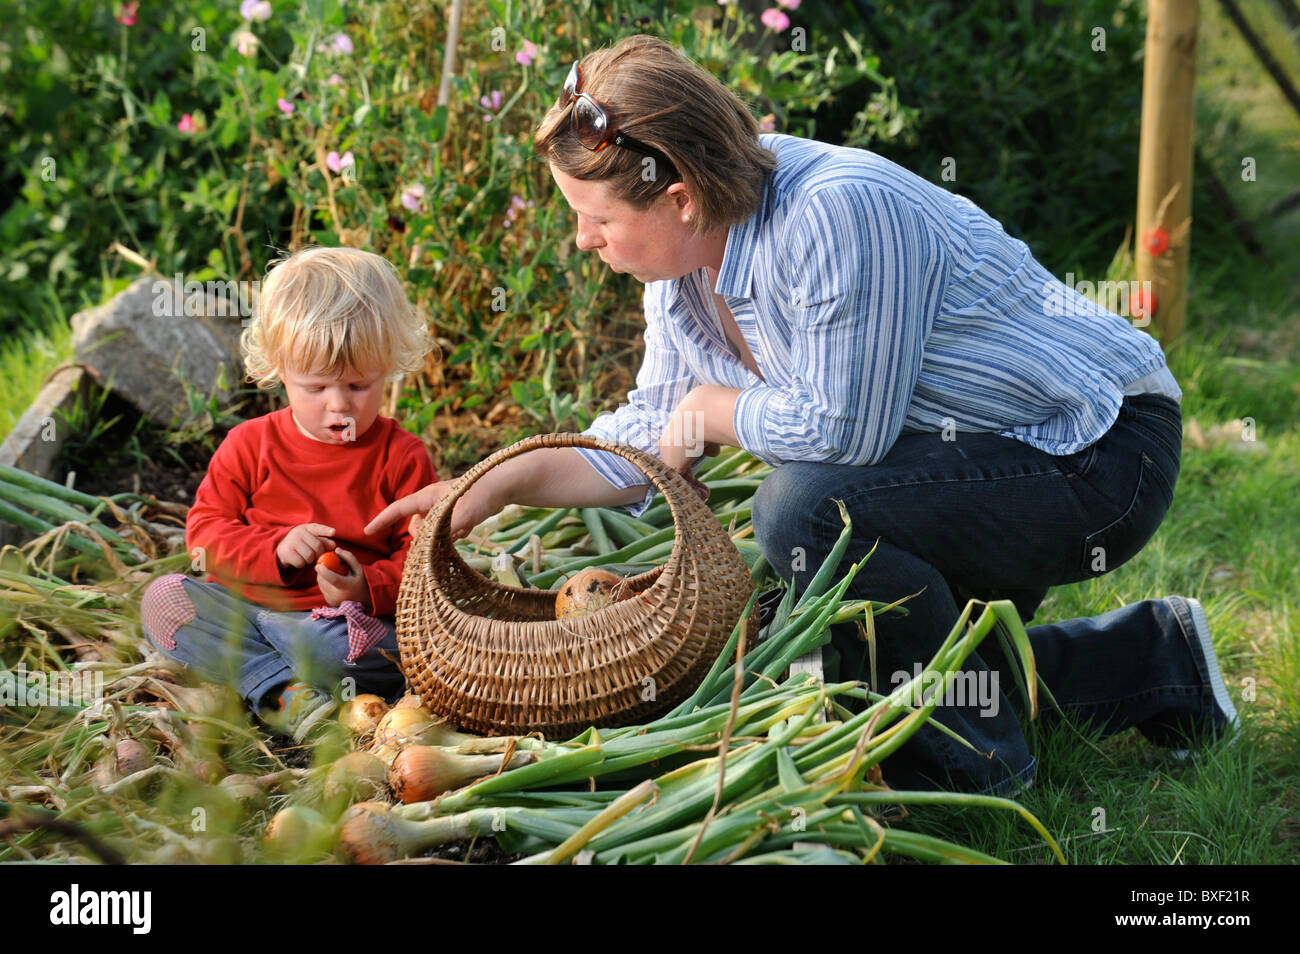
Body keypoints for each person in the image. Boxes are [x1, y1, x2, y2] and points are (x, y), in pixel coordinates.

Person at [366, 35, 1239, 793]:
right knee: (842, 636)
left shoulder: (838, 210)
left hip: (1094, 449)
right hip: (974, 460)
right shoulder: (681, 279)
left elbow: (844, 431)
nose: (584, 240)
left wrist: (710, 408)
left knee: (804, 512)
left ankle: (973, 759)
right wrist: (487, 489)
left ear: (681, 199)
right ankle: (1155, 659)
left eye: (595, 218)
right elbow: (649, 436)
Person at [141, 246, 437, 742]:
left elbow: (425, 558)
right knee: (165, 600)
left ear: (390, 365)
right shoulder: (249, 445)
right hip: (247, 605)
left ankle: (256, 672)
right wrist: (272, 551)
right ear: (278, 370)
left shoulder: (402, 457)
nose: (339, 405)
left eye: (360, 385)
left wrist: (367, 586)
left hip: (338, 625)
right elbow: (205, 536)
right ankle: (285, 692)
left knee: (341, 647)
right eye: (316, 387)